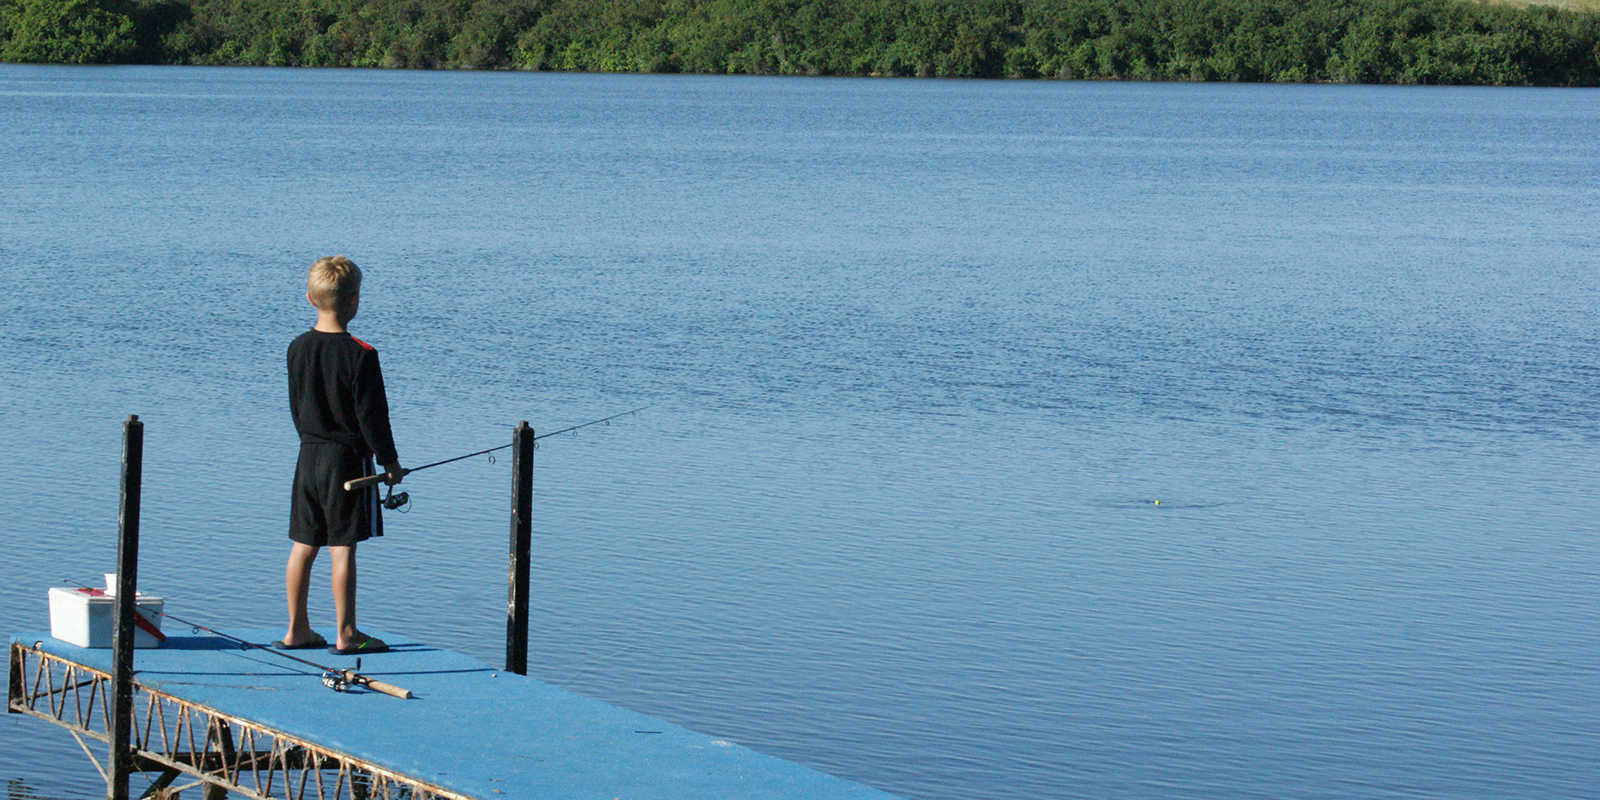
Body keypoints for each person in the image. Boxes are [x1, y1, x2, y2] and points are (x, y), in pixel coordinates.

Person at [281, 255, 404, 655]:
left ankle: (296, 629)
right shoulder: (361, 354)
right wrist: (390, 463)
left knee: (303, 544)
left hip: (307, 455)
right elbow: (373, 417)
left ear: (309, 298)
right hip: (347, 461)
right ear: (353, 301)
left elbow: (296, 406)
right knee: (343, 547)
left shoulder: (296, 347)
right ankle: (346, 633)